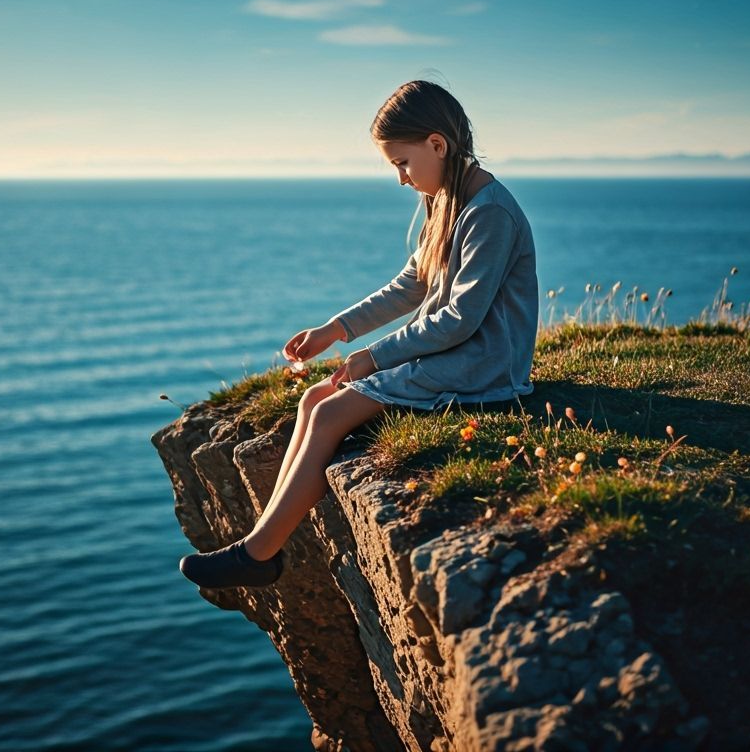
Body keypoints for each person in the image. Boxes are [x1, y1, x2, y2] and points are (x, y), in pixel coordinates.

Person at [180, 80, 539, 589]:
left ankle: (257, 555)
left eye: (402, 163)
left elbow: (461, 318)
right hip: (450, 352)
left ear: (438, 144)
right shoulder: (446, 201)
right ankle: (261, 541)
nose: (400, 179)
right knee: (312, 398)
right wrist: (335, 330)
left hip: (482, 364)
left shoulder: (489, 213)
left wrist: (373, 356)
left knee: (329, 412)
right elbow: (409, 287)